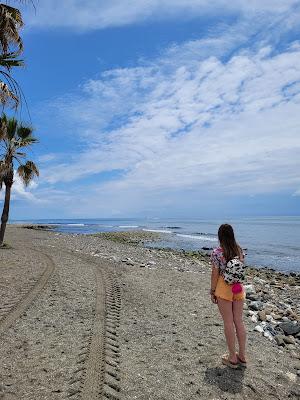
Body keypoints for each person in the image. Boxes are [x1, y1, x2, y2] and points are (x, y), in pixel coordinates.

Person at [210, 223, 247, 369]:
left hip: (224, 288)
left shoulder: (217, 252)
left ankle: (232, 357)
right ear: (232, 235)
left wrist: (212, 291)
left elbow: (215, 274)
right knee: (239, 321)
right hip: (238, 288)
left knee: (228, 322)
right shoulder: (239, 250)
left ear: (220, 236)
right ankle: (242, 355)